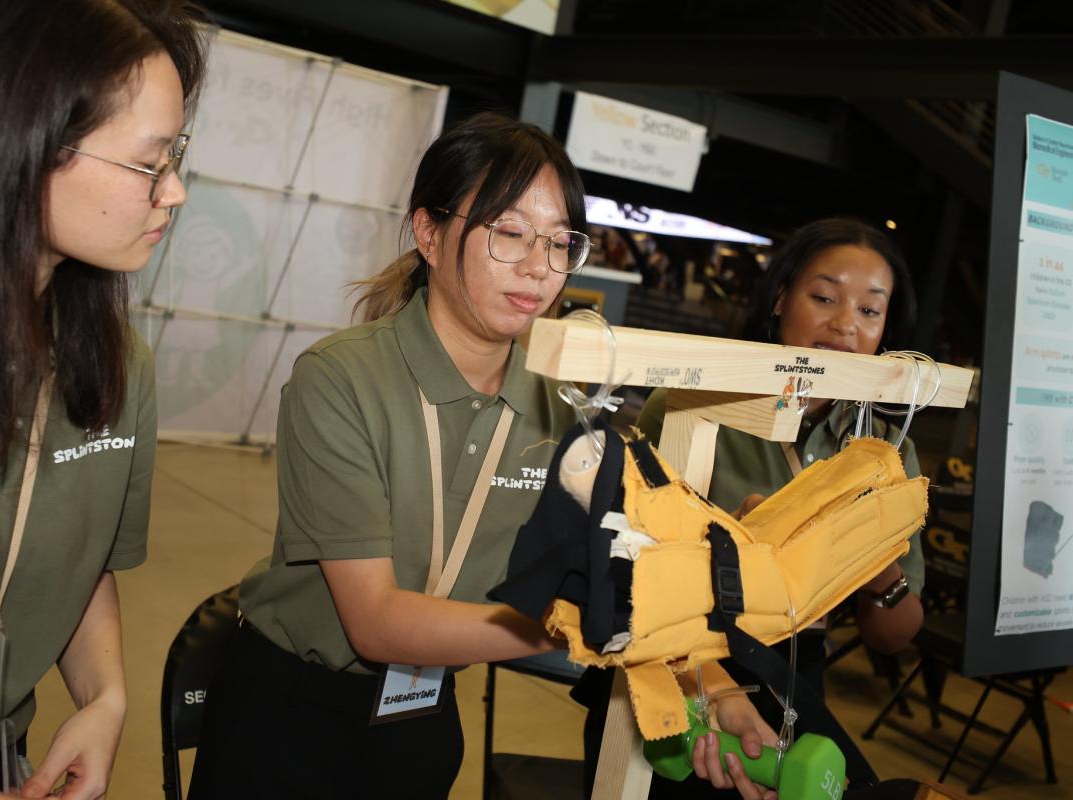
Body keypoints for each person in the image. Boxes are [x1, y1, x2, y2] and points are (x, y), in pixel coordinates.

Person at [188, 112, 776, 800]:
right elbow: (375, 621)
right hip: (292, 717)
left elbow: (626, 567)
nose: (538, 267)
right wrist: (590, 632)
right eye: (509, 233)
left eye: (560, 242)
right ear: (430, 234)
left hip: (424, 715)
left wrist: (713, 685)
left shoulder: (565, 405)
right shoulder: (341, 379)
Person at [0, 1, 206, 797]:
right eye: (149, 164)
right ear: (25, 144)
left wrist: (105, 695)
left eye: (178, 156)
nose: (176, 194)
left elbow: (81, 560)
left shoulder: (117, 364)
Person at [583, 217, 925, 798]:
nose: (845, 324)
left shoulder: (888, 450)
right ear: (779, 299)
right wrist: (731, 553)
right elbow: (622, 572)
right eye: (824, 297)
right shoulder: (695, 403)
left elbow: (895, 636)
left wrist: (873, 564)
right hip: (675, 667)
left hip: (791, 675)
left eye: (870, 311)